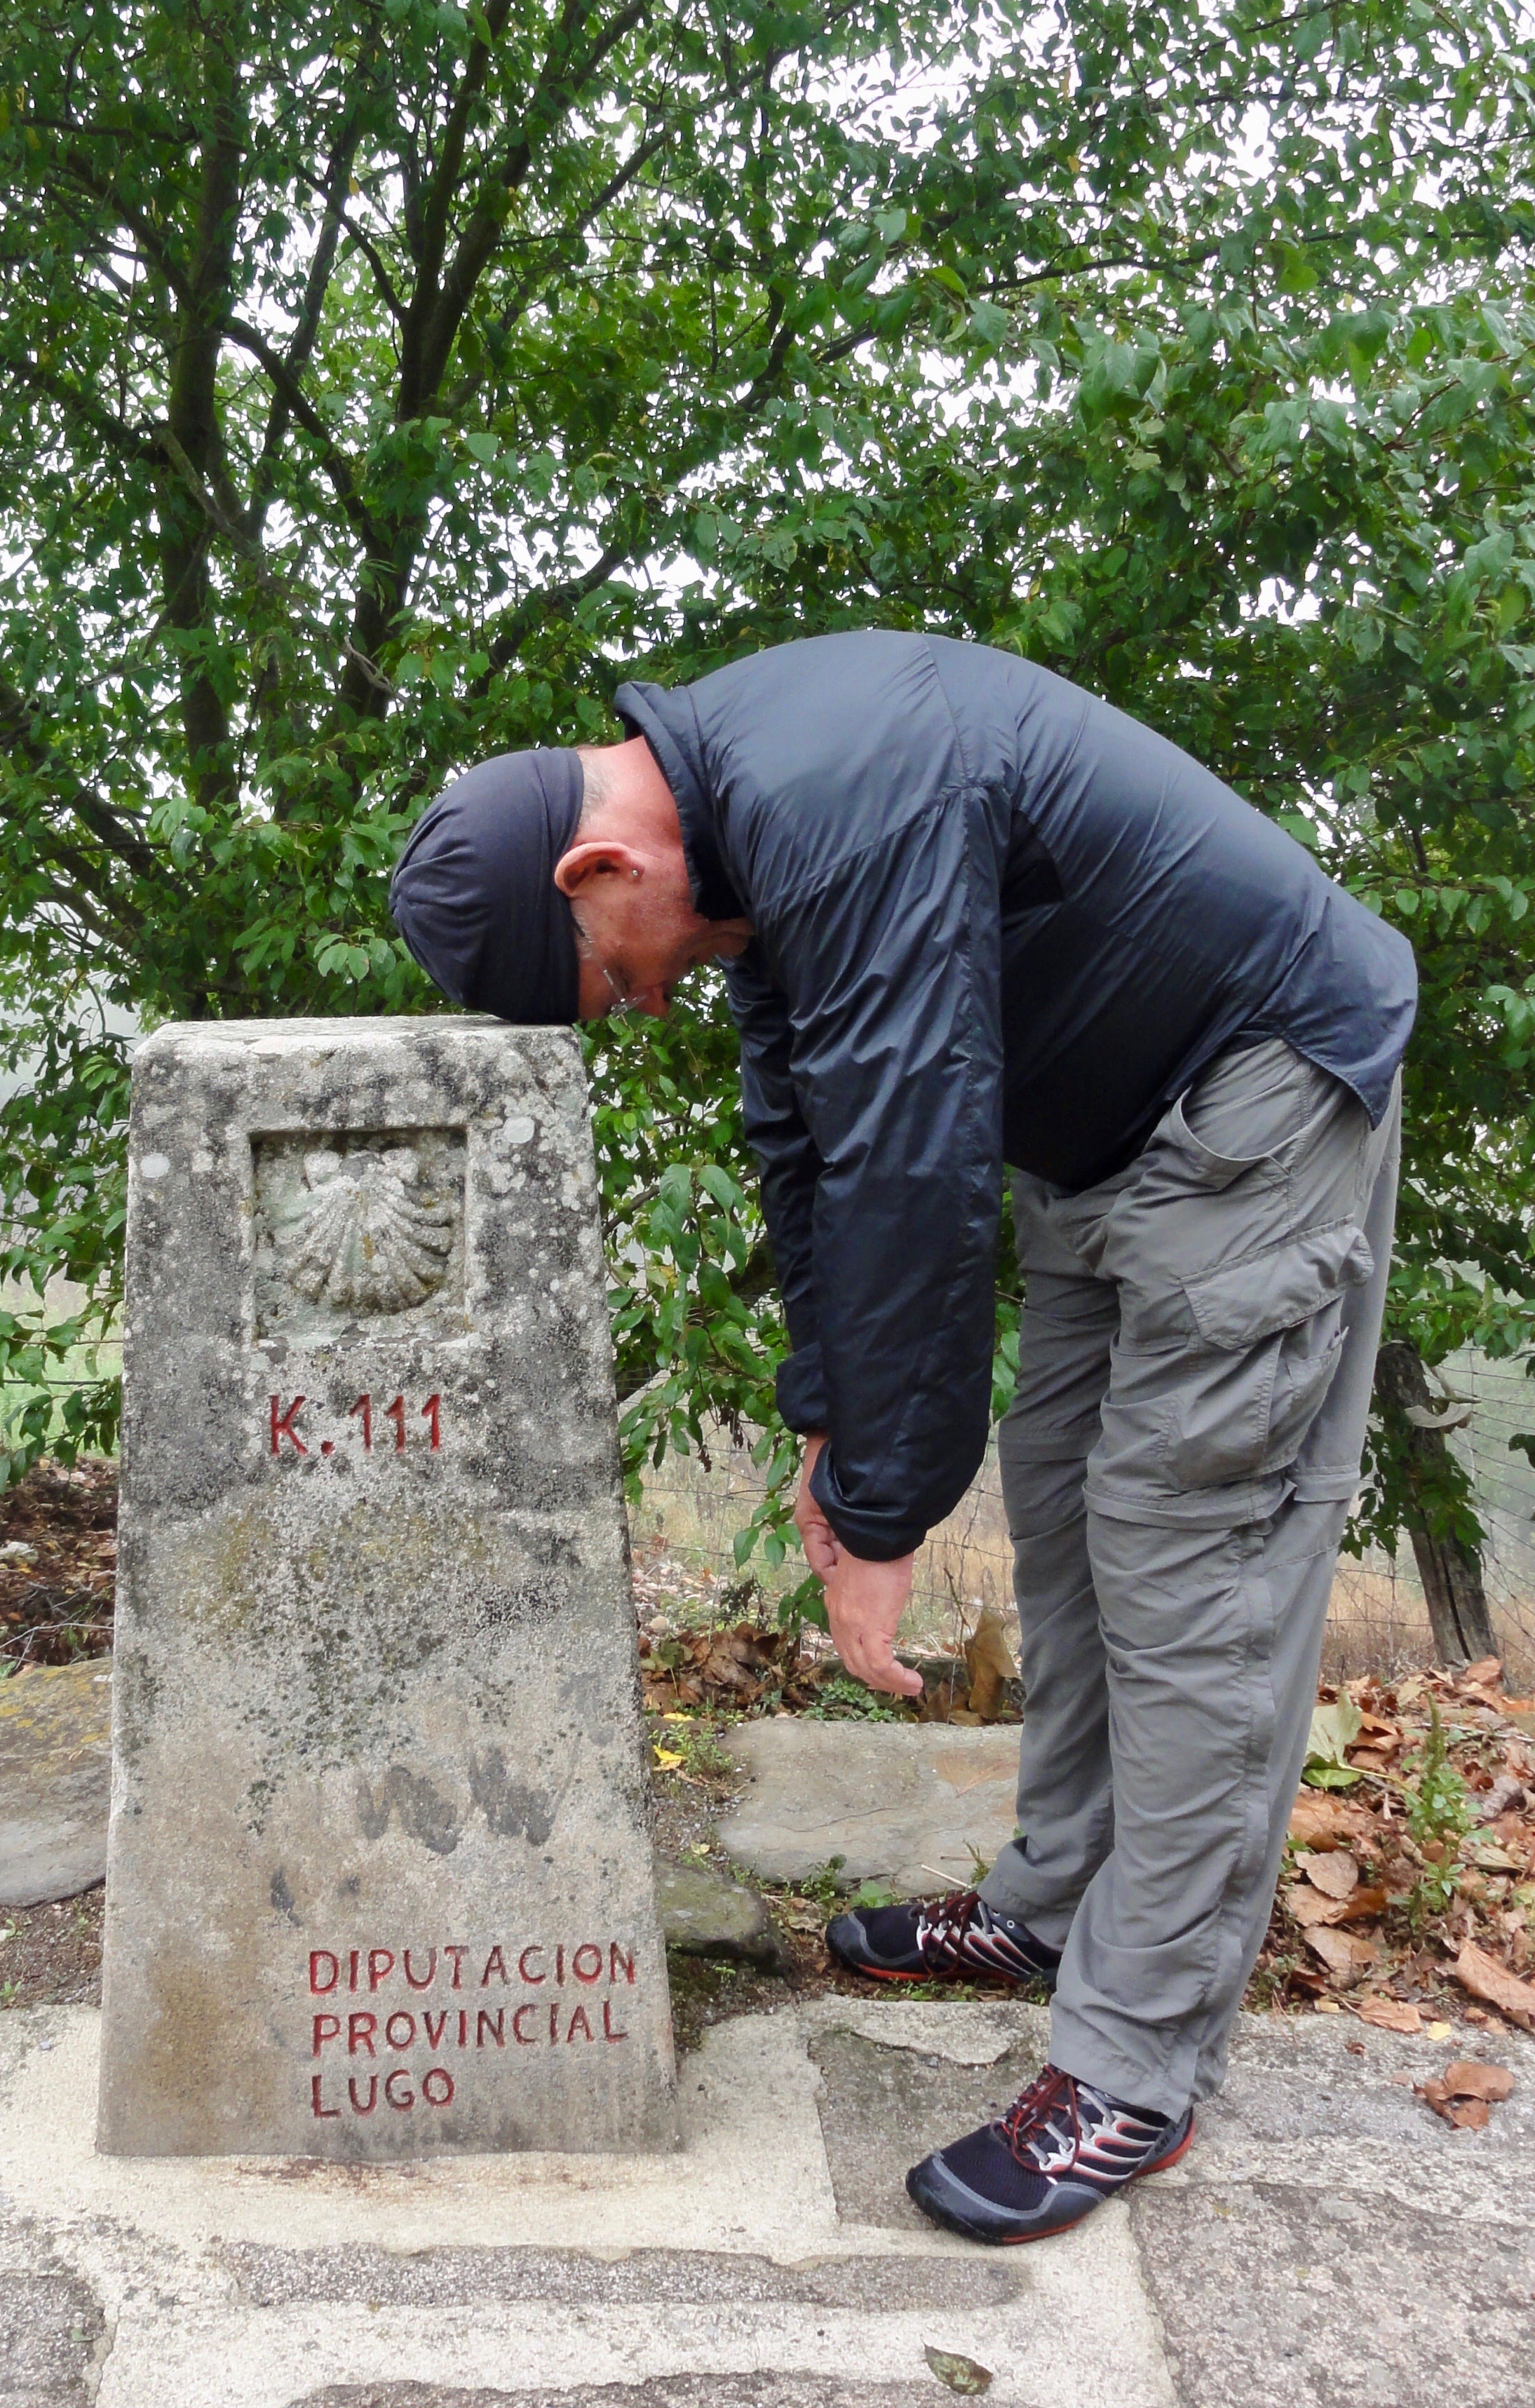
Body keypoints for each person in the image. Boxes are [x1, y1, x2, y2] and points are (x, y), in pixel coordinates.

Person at [389, 630, 1414, 2245]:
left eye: (615, 972)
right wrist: (827, 1428)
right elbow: (807, 1139)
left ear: (595, 863)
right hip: (1106, 1137)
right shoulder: (751, 828)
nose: (646, 1002)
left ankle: (1135, 2065)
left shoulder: (843, 790)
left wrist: (881, 1522)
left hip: (1259, 1095)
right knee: (1073, 1527)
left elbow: (917, 1170)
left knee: (1189, 1570)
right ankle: (1056, 1904)